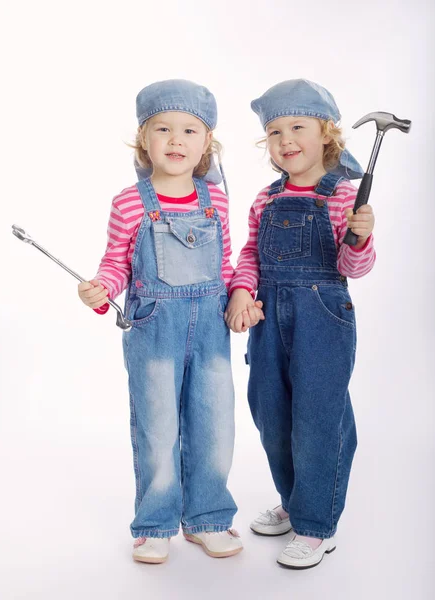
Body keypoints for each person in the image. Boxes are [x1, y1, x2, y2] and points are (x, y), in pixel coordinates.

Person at [78, 79, 248, 564]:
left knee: (214, 425)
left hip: (212, 329)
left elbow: (227, 264)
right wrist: (100, 289)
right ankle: (154, 524)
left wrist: (241, 294)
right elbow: (115, 263)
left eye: (190, 131)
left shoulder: (217, 200)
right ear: (143, 140)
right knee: (156, 427)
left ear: (205, 145)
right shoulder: (129, 203)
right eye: (163, 129)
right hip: (154, 329)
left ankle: (209, 518)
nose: (176, 140)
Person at [226, 79, 376, 569]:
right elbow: (250, 254)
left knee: (318, 417)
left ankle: (316, 526)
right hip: (270, 318)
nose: (285, 139)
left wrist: (359, 239)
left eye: (298, 127)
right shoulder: (265, 200)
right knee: (271, 414)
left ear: (327, 135)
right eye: (274, 131)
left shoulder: (341, 197)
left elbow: (354, 269)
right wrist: (243, 290)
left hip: (322, 315)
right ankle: (294, 501)